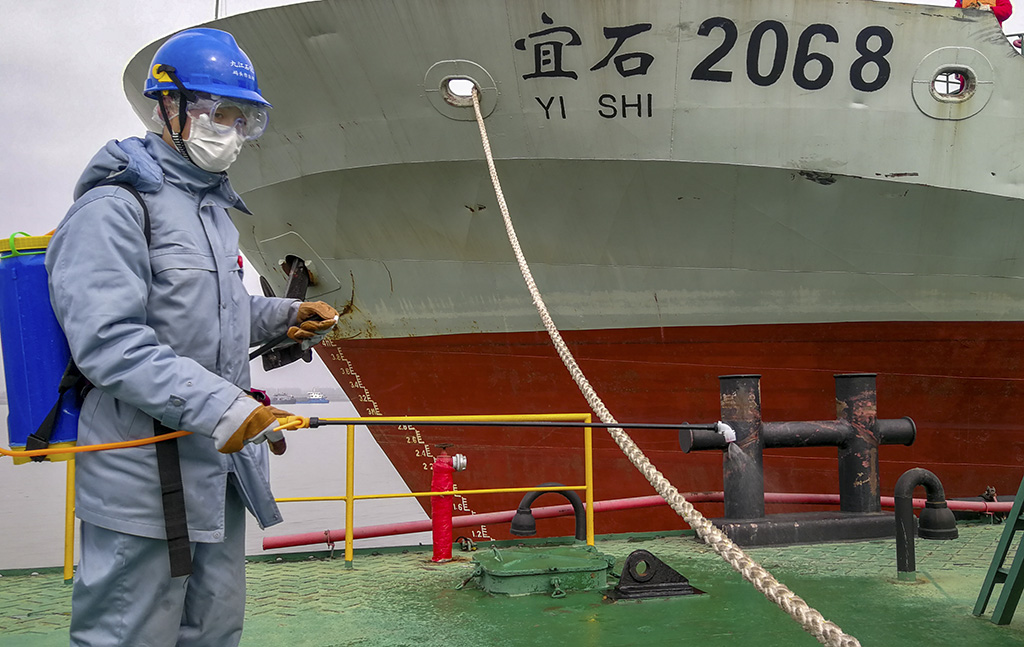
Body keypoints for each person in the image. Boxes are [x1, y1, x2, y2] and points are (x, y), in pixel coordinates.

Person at [45, 28, 338, 646]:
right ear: (168, 106)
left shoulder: (211, 211)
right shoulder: (114, 207)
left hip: (217, 469)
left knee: (213, 630)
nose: (229, 130)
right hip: (140, 474)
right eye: (215, 112)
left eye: (242, 118)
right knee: (126, 635)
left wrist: (284, 316)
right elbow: (108, 342)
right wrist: (226, 408)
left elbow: (217, 313)